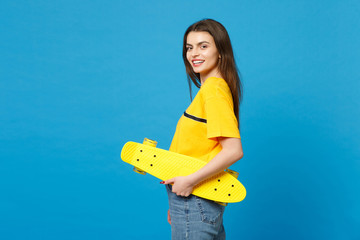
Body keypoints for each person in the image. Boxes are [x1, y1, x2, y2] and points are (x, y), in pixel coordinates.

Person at [160, 19, 244, 239]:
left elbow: (233, 150)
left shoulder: (214, 91)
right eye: (189, 47)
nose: (194, 53)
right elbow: (197, 151)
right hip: (194, 201)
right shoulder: (212, 89)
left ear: (220, 52)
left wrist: (189, 182)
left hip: (196, 197)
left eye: (203, 46)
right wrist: (177, 204)